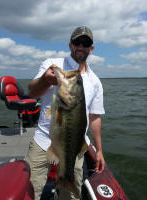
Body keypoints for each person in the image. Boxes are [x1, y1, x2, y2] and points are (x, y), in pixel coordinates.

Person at [26, 26, 105, 200]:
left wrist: (99, 150)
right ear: (70, 45)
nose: (81, 46)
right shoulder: (52, 65)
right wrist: (46, 80)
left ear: (91, 48)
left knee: (71, 196)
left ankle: (65, 181)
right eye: (77, 42)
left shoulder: (95, 81)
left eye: (86, 43)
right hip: (42, 141)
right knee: (29, 191)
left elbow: (94, 117)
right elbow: (32, 92)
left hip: (75, 146)